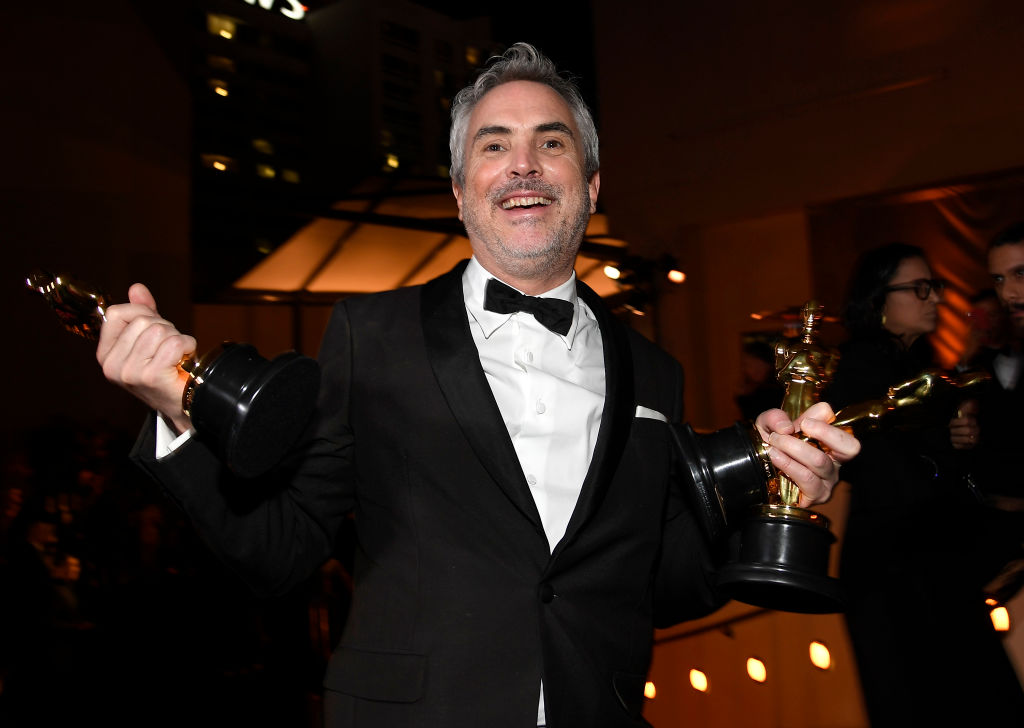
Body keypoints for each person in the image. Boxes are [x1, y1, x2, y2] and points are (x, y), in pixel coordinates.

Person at [95, 44, 858, 727]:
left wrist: (771, 491)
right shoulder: (371, 334)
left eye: (551, 143)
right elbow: (279, 549)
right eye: (495, 145)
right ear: (461, 192)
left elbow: (660, 584)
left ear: (592, 185)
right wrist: (178, 414)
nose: (524, 165)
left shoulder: (656, 370)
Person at [824, 242, 1024, 726]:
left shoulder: (918, 364)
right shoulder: (859, 369)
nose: (935, 298)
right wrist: (943, 447)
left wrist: (956, 441)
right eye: (919, 288)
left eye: (934, 286)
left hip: (923, 561)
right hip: (895, 568)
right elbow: (887, 471)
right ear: (878, 300)